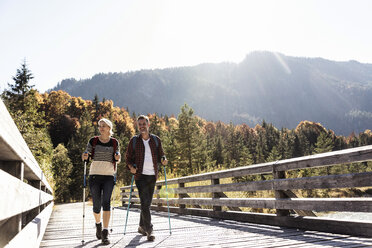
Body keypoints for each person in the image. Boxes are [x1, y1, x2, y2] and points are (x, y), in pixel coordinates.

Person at [125, 115, 168, 241]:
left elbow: (162, 155)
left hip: (152, 175)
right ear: (137, 126)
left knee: (146, 203)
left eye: (144, 124)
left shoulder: (156, 140)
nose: (142, 126)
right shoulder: (134, 141)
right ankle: (150, 230)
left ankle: (141, 226)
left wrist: (164, 160)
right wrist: (131, 167)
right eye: (140, 124)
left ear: (148, 125)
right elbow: (128, 159)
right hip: (140, 176)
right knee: (145, 202)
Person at [82, 118, 120, 245]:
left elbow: (117, 157)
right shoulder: (93, 141)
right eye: (100, 126)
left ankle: (105, 232)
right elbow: (86, 154)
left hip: (109, 175)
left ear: (109, 128)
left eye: (104, 126)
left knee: (106, 203)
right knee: (96, 206)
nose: (101, 128)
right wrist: (85, 156)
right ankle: (98, 224)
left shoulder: (114, 142)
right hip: (94, 176)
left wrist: (117, 157)